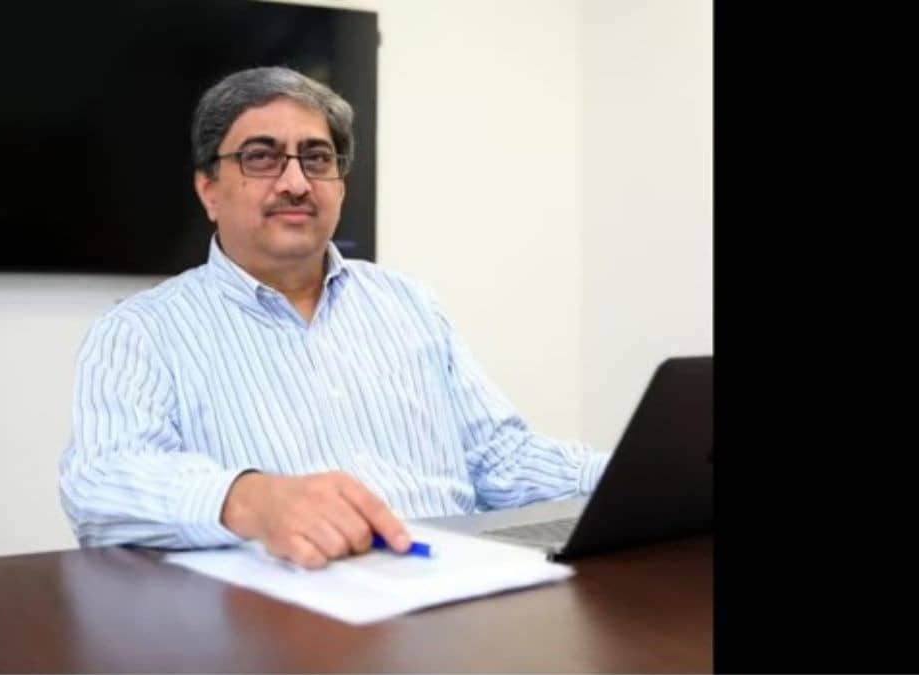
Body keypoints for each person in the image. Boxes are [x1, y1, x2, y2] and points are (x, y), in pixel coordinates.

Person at [59, 66, 609, 569]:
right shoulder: (141, 331)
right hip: (281, 611)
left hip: (452, 582)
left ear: (340, 185)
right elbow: (100, 485)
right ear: (209, 190)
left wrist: (630, 475)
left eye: (317, 159)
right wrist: (251, 499)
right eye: (261, 157)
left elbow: (501, 460)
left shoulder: (407, 303)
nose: (296, 183)